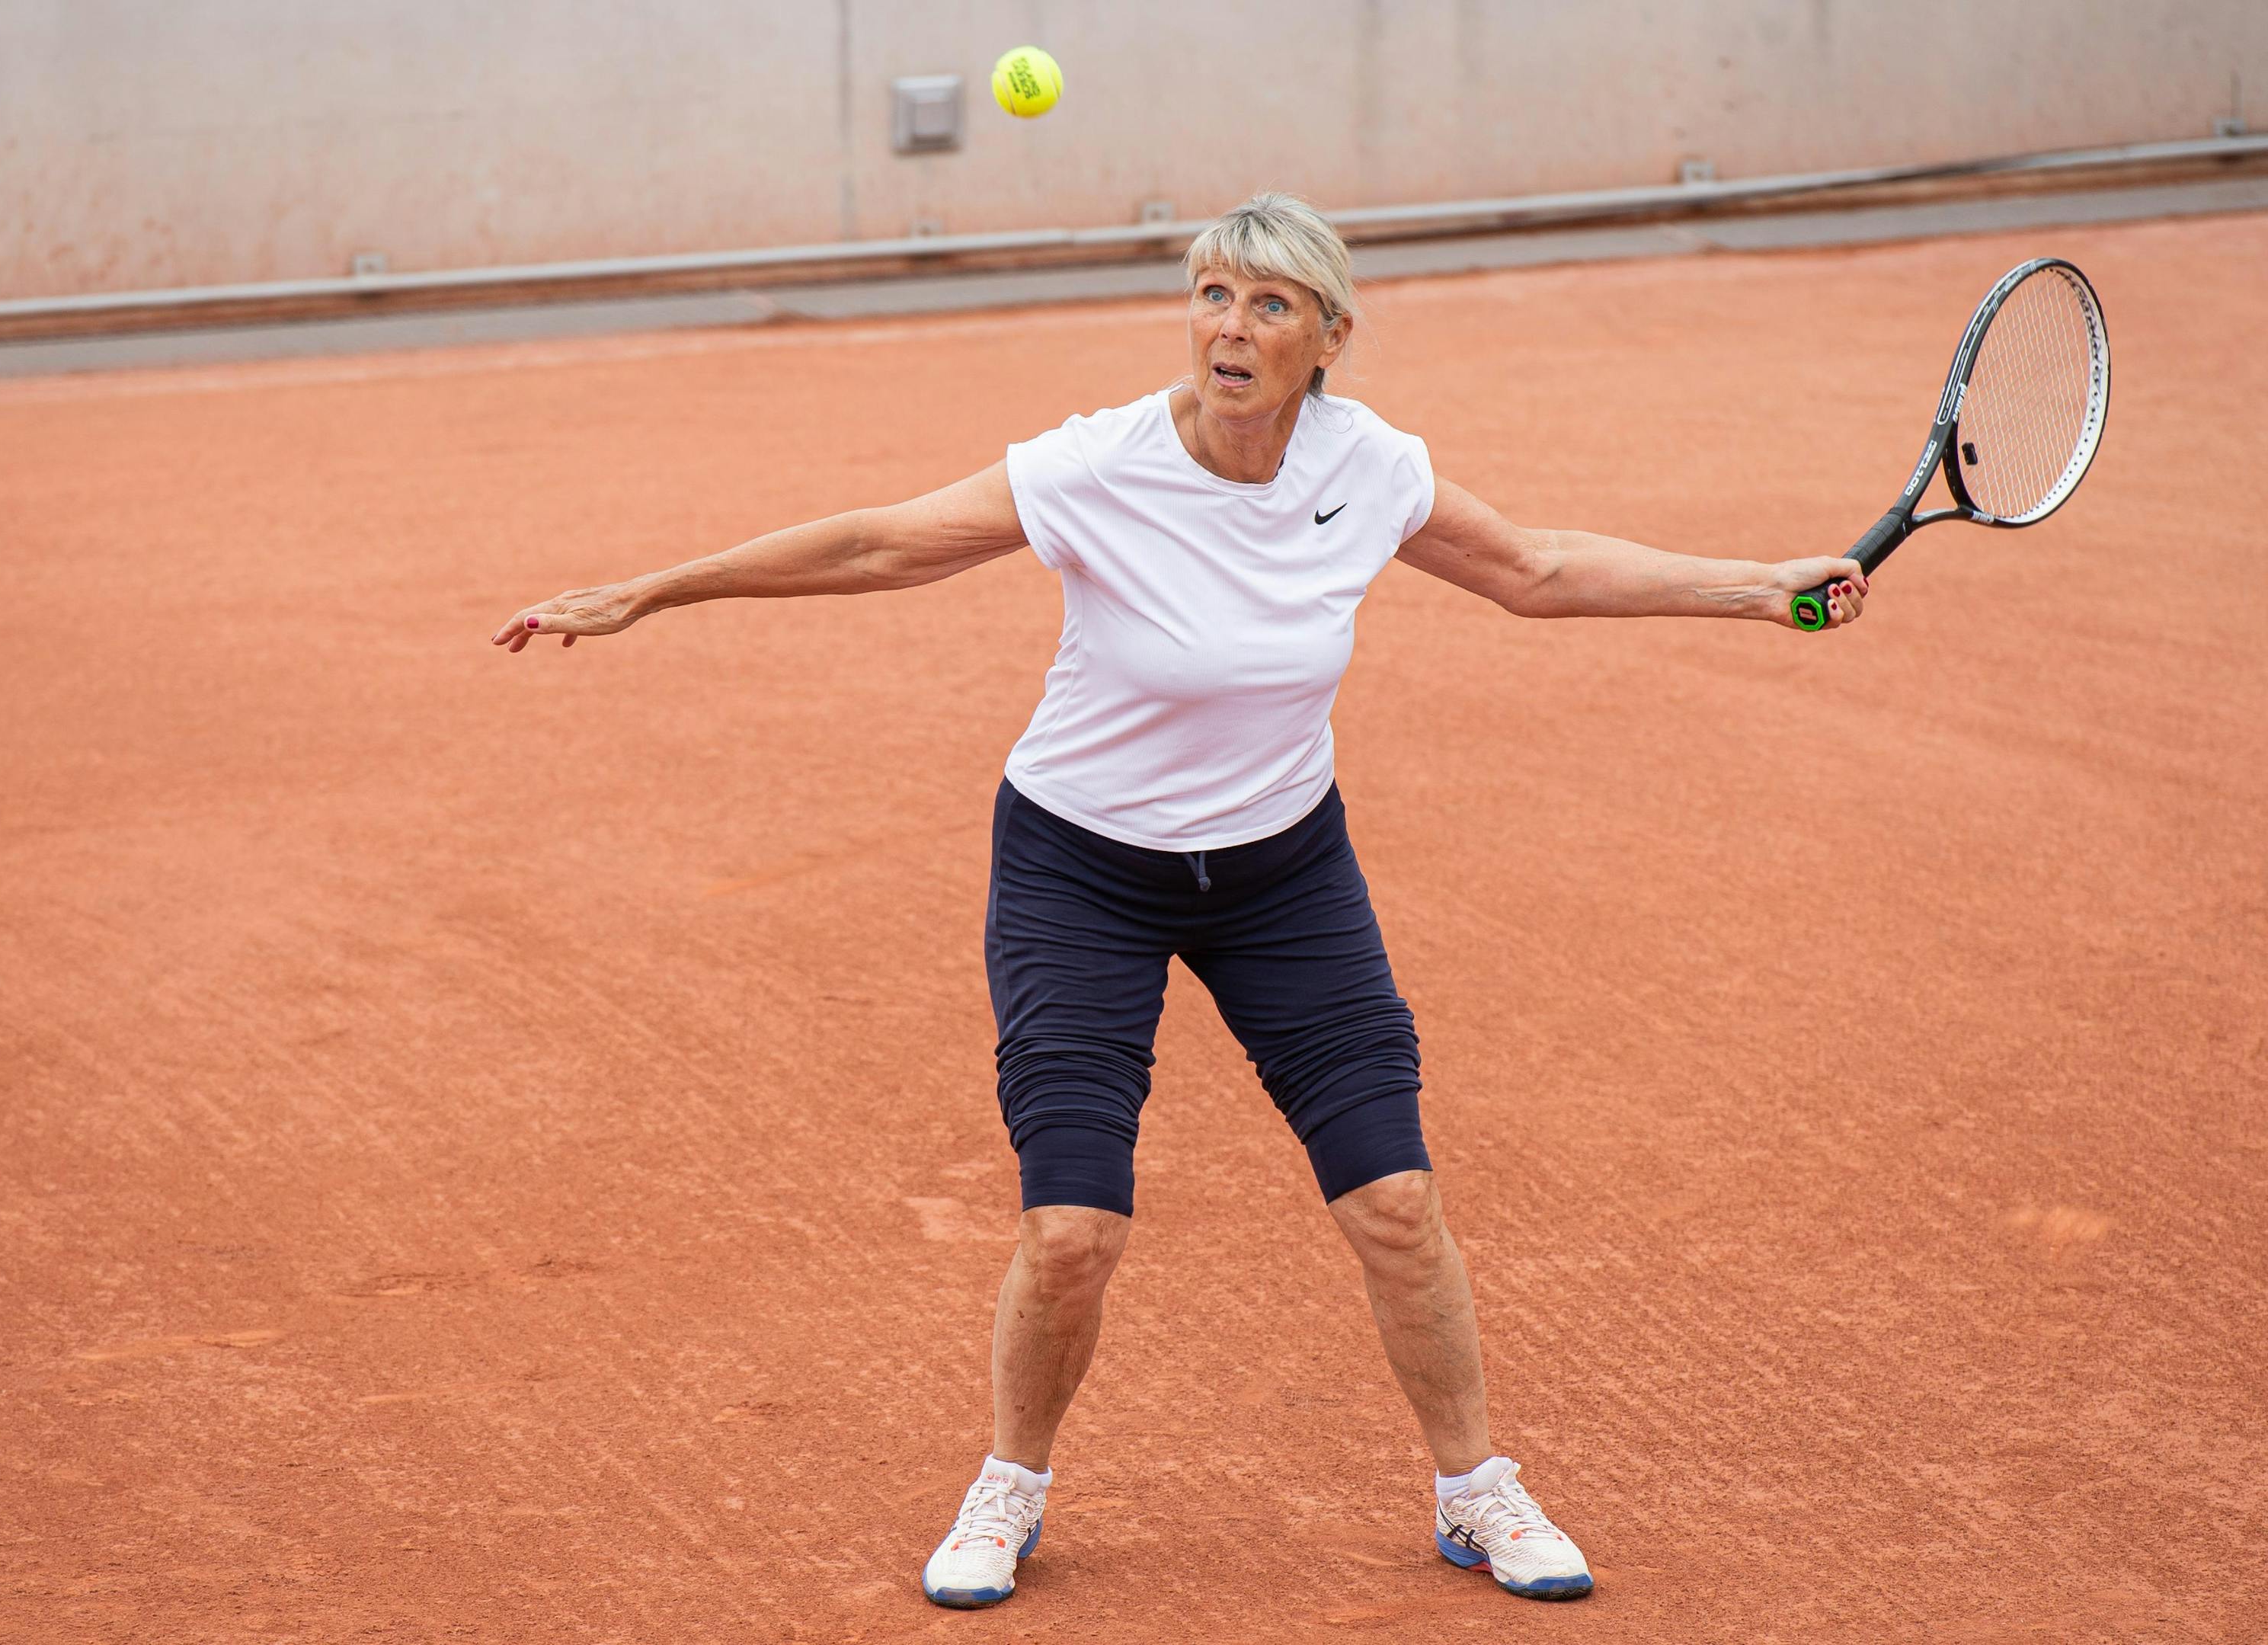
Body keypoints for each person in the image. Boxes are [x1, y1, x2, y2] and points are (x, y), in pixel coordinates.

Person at [491, 191, 1867, 1609]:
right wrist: (652, 591)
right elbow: (875, 545)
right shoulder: (1098, 466)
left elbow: (1536, 568)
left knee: (1395, 1200)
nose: (1231, 325)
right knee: (1073, 1231)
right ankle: (1009, 1486)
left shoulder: (1367, 466)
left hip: (1281, 873)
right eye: (1213, 294)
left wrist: (1759, 589)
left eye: (1269, 305)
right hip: (1081, 869)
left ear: (1326, 339)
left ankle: (1477, 1493)